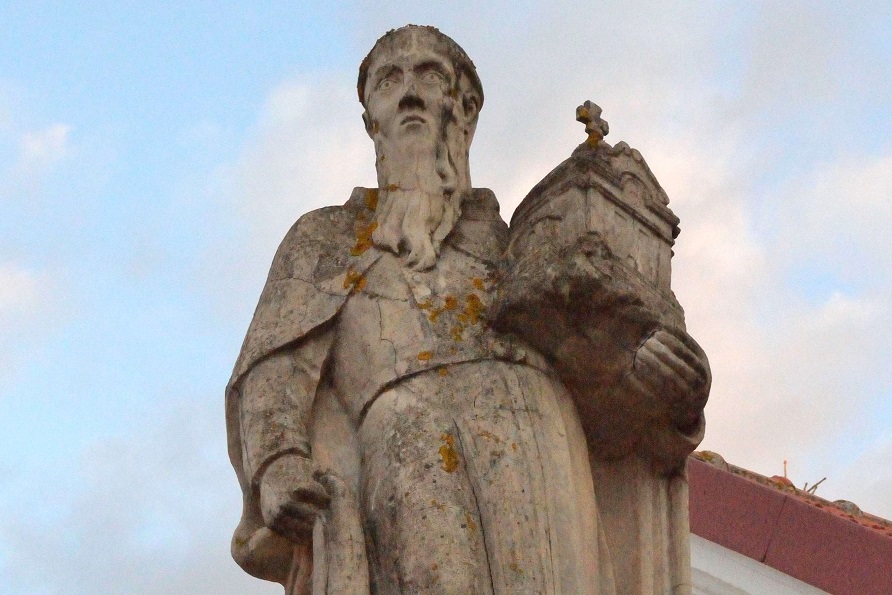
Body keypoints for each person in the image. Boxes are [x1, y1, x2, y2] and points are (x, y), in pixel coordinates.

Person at [227, 25, 708, 594]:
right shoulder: (326, 240)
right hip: (412, 448)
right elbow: (272, 369)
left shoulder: (523, 250)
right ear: (371, 120)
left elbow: (602, 402)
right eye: (389, 81)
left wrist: (659, 386)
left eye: (429, 76)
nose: (409, 94)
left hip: (543, 454)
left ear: (466, 110)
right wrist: (278, 461)